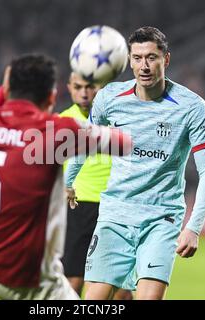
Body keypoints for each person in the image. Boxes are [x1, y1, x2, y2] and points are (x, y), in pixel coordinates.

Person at [0, 54, 132, 300]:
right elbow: (124, 143)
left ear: (6, 88)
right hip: (22, 274)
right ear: (52, 97)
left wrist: (2, 92)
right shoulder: (56, 132)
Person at [65, 26, 205, 300]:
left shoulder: (192, 108)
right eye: (137, 58)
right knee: (93, 299)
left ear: (166, 59)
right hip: (114, 215)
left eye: (151, 57)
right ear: (129, 61)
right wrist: (68, 182)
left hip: (161, 218)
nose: (144, 66)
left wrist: (193, 227)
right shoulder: (110, 99)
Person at [61, 72, 132, 300]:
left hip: (114, 207)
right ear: (69, 88)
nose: (84, 92)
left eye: (90, 86)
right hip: (77, 207)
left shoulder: (118, 116)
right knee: (73, 280)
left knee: (121, 290)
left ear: (100, 88)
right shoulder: (62, 122)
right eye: (78, 87)